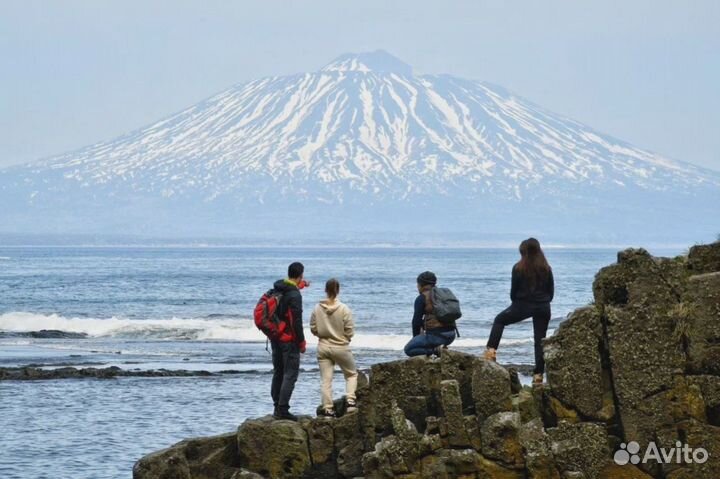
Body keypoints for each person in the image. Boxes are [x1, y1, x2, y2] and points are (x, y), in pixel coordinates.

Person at [484, 238, 554, 385]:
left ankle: (491, 352)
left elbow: (513, 292)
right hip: (543, 306)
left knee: (500, 320)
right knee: (539, 340)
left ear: (524, 252)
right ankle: (538, 375)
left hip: (523, 305)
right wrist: (543, 301)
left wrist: (517, 305)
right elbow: (551, 292)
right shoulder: (547, 268)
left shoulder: (518, 268)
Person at [310, 278, 358, 418]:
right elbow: (349, 330)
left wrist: (322, 335)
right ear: (338, 290)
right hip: (340, 346)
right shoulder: (344, 308)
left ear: (326, 290)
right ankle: (350, 401)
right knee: (351, 374)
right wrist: (346, 338)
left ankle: (328, 409)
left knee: (326, 380)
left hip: (323, 346)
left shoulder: (317, 308)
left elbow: (313, 328)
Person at [270, 262, 308, 421]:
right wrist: (301, 341)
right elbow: (296, 321)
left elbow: (288, 294)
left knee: (278, 371)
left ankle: (276, 406)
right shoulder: (294, 296)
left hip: (275, 336)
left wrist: (300, 286)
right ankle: (283, 409)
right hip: (288, 339)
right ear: (300, 275)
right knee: (290, 374)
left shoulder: (279, 288)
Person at [404, 271, 456, 357]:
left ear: (421, 285)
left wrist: (416, 339)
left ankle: (436, 350)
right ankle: (440, 348)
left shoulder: (422, 298)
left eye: (417, 284)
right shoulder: (443, 294)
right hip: (451, 335)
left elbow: (416, 322)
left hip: (436, 336)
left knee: (409, 349)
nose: (417, 287)